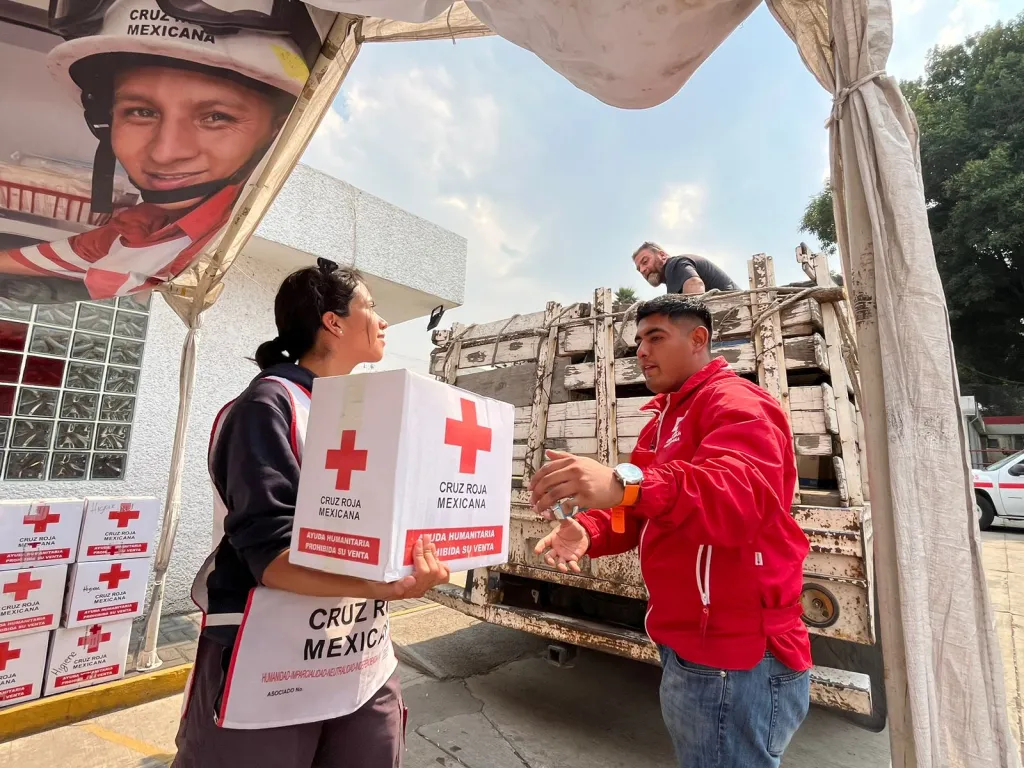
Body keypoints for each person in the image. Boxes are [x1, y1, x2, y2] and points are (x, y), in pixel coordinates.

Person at [173, 259, 450, 768]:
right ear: (333, 321)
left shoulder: (360, 414)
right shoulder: (269, 404)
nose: (383, 321)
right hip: (270, 662)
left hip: (359, 655)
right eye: (371, 306)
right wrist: (382, 585)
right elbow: (273, 555)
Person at [529, 294, 811, 768]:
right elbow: (639, 511)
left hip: (736, 656)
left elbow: (737, 499)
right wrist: (590, 530)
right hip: (689, 644)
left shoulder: (736, 402)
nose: (641, 350)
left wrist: (623, 482)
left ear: (698, 338)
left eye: (655, 337)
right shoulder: (661, 421)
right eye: (638, 339)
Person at [0, 0, 322, 300]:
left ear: (278, 131)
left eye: (216, 117)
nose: (164, 153)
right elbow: (84, 251)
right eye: (141, 112)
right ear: (106, 118)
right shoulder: (151, 226)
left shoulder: (235, 235)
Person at [632, 241, 738, 294]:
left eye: (645, 262)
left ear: (662, 256)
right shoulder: (673, 275)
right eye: (639, 269)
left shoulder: (674, 264)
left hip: (737, 321)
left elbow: (695, 285)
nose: (642, 270)